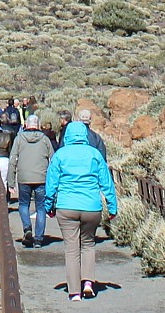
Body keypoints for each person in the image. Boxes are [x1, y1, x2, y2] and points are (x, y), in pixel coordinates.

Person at [46, 119, 118, 300]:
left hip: (66, 206)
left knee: (71, 249)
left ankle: (74, 292)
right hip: (91, 207)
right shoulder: (94, 154)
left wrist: (49, 205)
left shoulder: (60, 155)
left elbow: (51, 183)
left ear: (67, 136)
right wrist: (112, 207)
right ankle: (88, 283)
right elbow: (107, 182)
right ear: (85, 135)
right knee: (88, 244)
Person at [10, 112, 55, 246]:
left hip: (24, 177)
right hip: (42, 177)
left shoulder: (19, 139)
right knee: (41, 208)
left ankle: (27, 228)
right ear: (38, 125)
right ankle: (39, 239)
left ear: (25, 125)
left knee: (24, 204)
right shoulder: (45, 139)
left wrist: (11, 181)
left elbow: (12, 160)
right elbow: (53, 160)